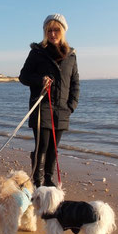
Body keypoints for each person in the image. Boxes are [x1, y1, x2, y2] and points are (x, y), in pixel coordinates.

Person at [19, 14, 80, 187]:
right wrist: (40, 80)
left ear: (63, 31)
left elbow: (75, 82)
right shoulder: (37, 52)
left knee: (54, 148)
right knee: (42, 146)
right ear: (45, 32)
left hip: (62, 109)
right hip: (42, 107)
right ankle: (37, 182)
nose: (53, 34)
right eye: (49, 30)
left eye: (56, 30)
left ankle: (49, 179)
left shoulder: (71, 55)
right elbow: (23, 76)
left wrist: (71, 106)